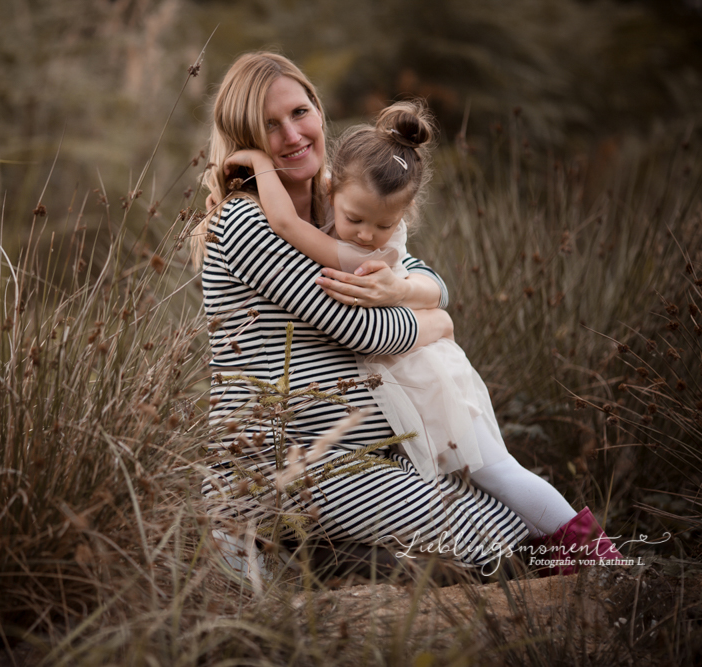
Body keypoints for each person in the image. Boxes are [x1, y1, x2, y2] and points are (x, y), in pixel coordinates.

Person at [219, 100, 625, 568]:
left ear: (406, 213)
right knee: (480, 484)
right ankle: (566, 556)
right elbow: (290, 221)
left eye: (385, 225)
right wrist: (244, 186)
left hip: (432, 386)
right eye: (356, 220)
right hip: (402, 396)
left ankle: (600, 558)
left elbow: (289, 227)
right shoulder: (332, 205)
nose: (368, 235)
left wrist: (257, 164)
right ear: (332, 187)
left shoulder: (366, 254)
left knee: (498, 473)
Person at [195, 52, 530, 576]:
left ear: (319, 112)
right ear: (245, 139)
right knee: (502, 546)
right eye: (269, 125)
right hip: (290, 466)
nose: (292, 134)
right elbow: (367, 329)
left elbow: (429, 282)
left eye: (300, 112)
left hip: (365, 459)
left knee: (510, 522)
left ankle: (338, 558)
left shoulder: (341, 203)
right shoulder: (245, 219)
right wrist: (437, 325)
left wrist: (422, 298)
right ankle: (308, 553)